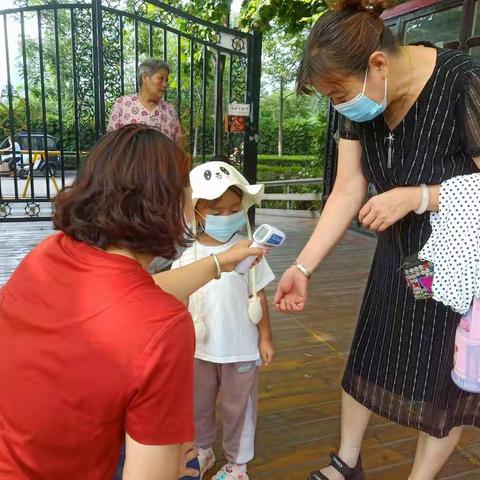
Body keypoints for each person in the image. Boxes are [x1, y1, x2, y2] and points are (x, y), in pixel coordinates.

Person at [274, 1, 480, 480]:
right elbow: (348, 188)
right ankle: (347, 461)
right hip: (399, 255)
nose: (338, 104)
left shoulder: (462, 82)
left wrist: (420, 197)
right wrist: (301, 268)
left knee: (442, 373)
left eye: (338, 92)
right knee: (372, 346)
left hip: (457, 260)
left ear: (378, 65)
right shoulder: (362, 105)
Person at [0, 125, 266, 480]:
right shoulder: (164, 326)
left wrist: (220, 262)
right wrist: (180, 457)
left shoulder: (47, 255)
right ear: (168, 204)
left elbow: (139, 292)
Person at [172, 161, 276, 480]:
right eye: (216, 212)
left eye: (233, 209)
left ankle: (237, 464)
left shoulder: (249, 250)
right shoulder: (185, 256)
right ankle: (203, 449)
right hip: (199, 349)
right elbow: (177, 302)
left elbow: (258, 296)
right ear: (197, 211)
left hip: (240, 350)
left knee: (238, 408)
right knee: (198, 405)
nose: (226, 217)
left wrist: (265, 338)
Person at [107, 58, 183, 147]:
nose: (165, 84)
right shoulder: (123, 104)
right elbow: (111, 141)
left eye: (166, 80)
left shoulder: (169, 110)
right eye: (161, 79)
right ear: (145, 78)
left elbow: (179, 144)